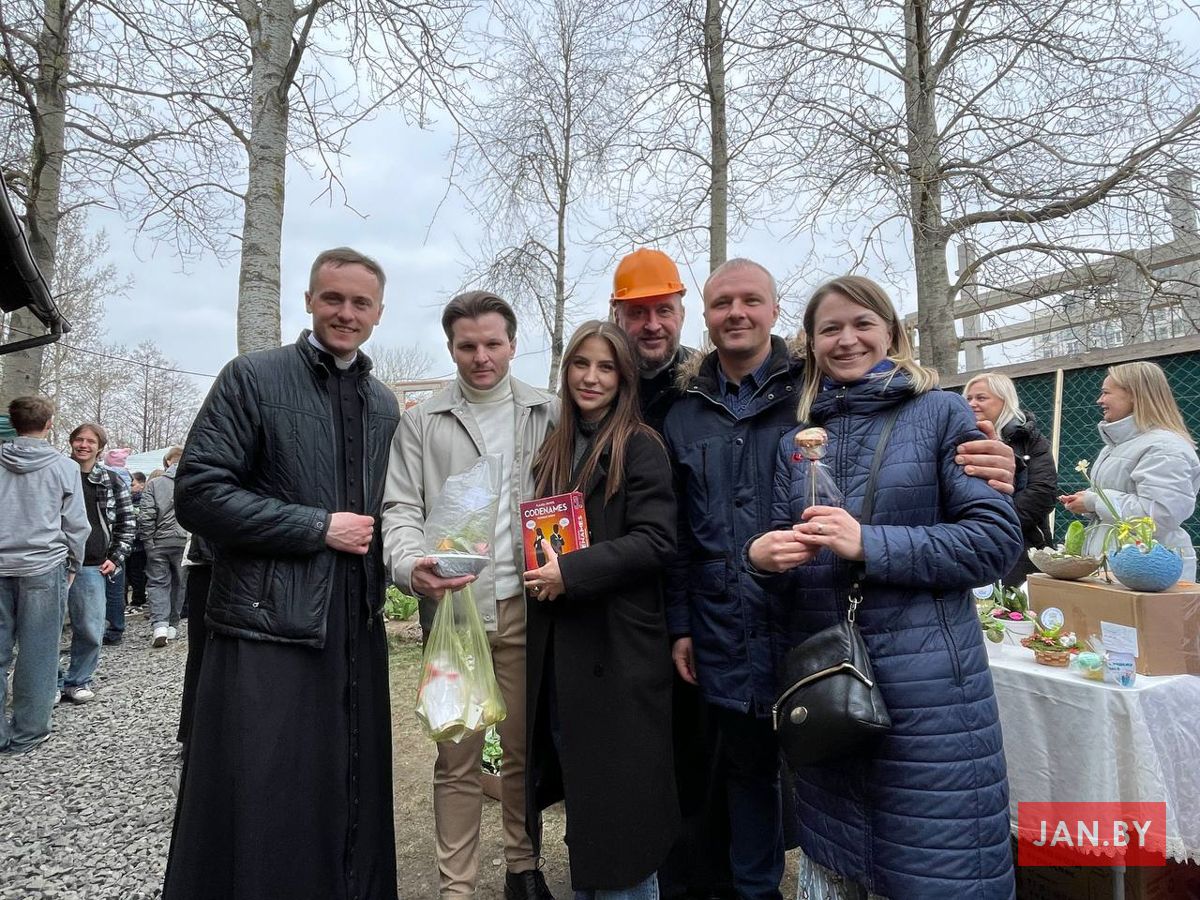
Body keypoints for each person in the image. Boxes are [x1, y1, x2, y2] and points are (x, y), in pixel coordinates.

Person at [663, 260, 1017, 900]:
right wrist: (761, 561)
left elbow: (993, 544)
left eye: (862, 324)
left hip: (925, 692)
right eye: (831, 329)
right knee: (838, 862)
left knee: (933, 863)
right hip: (828, 682)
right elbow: (780, 554)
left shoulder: (940, 414)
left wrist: (868, 543)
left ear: (893, 333)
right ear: (812, 342)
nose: (847, 340)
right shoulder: (801, 438)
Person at [164, 247, 401, 900]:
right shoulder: (252, 378)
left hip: (354, 629)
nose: (345, 313)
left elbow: (392, 514)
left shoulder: (384, 404)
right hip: (266, 627)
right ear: (308, 301)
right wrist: (316, 527)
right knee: (263, 797)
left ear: (379, 313)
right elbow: (199, 493)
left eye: (360, 303)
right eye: (333, 298)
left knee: (346, 792)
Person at [381, 291, 557, 900]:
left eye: (492, 344)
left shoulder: (547, 412)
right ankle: (456, 886)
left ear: (513, 343)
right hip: (454, 613)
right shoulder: (422, 421)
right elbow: (400, 506)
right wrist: (409, 565)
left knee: (521, 751)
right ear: (451, 348)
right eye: (467, 346)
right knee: (456, 756)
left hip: (528, 608)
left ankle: (522, 867)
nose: (481, 357)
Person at [522, 321, 679, 899]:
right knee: (586, 799)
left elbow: (657, 541)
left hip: (618, 652)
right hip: (563, 649)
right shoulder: (554, 447)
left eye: (606, 367)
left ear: (625, 378)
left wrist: (572, 573)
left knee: (624, 810)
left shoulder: (640, 445)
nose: (591, 378)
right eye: (580, 364)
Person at [611, 248, 734, 900]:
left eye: (663, 310)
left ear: (682, 312)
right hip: (621, 599)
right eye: (638, 313)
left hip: (698, 599)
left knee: (698, 749)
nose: (652, 324)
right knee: (633, 753)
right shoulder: (602, 385)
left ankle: (696, 880)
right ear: (617, 315)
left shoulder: (705, 385)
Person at [0, 396, 89, 752]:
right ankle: (29, 731)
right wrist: (75, 564)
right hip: (43, 565)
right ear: (49, 424)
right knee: (38, 652)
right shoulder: (64, 467)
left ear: (13, 423)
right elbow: (76, 524)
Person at [1060, 360, 1200, 581]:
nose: (1099, 400)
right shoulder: (1116, 446)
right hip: (1122, 568)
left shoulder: (1165, 448)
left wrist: (1095, 501)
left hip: (1150, 574)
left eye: (1106, 393)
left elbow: (1159, 515)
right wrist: (1086, 501)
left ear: (1134, 395)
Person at [61, 422, 135, 703]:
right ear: (71, 442)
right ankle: (51, 682)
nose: (84, 445)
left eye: (91, 441)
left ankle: (78, 680)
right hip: (55, 562)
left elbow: (127, 523)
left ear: (100, 447)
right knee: (47, 631)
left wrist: (115, 558)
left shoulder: (111, 480)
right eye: (79, 439)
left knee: (90, 629)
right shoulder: (57, 473)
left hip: (93, 565)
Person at [964, 372, 1057, 586]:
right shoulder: (958, 439)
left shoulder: (1031, 441)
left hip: (1021, 545)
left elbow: (1042, 493)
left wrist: (995, 523)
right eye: (968, 398)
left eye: (981, 398)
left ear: (1004, 401)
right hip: (970, 544)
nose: (972, 404)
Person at [139, 445, 187, 647]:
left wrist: (148, 541)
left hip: (158, 542)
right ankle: (173, 626)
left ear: (168, 461)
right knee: (180, 583)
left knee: (158, 583)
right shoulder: (192, 482)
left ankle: (160, 625)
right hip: (184, 542)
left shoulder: (154, 484)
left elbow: (146, 515)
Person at [102, 449, 133, 644]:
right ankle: (116, 627)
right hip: (118, 544)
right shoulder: (126, 478)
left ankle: (108, 629)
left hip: (105, 541)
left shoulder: (107, 478)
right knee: (116, 588)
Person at [126, 472, 148, 607]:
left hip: (139, 544)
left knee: (137, 573)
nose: (130, 487)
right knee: (130, 573)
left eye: (132, 484)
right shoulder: (127, 500)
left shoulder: (144, 501)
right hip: (130, 543)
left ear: (142, 484)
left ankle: (138, 598)